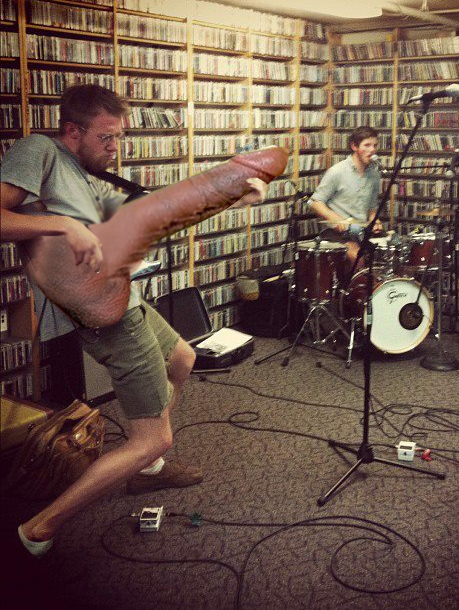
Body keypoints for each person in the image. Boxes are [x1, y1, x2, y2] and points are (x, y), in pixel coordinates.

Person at [0, 84, 268, 556]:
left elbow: (156, 211)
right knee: (153, 437)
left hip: (126, 298)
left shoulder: (88, 176)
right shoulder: (38, 151)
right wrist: (65, 224)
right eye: (105, 137)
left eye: (118, 137)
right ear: (71, 131)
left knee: (183, 358)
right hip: (107, 319)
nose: (114, 147)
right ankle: (37, 530)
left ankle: (147, 469)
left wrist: (231, 196)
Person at [308, 125, 384, 269]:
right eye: (367, 145)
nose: (372, 150)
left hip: (361, 231)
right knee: (357, 256)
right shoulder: (337, 172)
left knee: (389, 250)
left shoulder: (375, 174)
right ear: (354, 146)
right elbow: (315, 202)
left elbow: (372, 207)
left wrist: (375, 220)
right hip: (337, 233)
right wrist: (335, 218)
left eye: (375, 145)